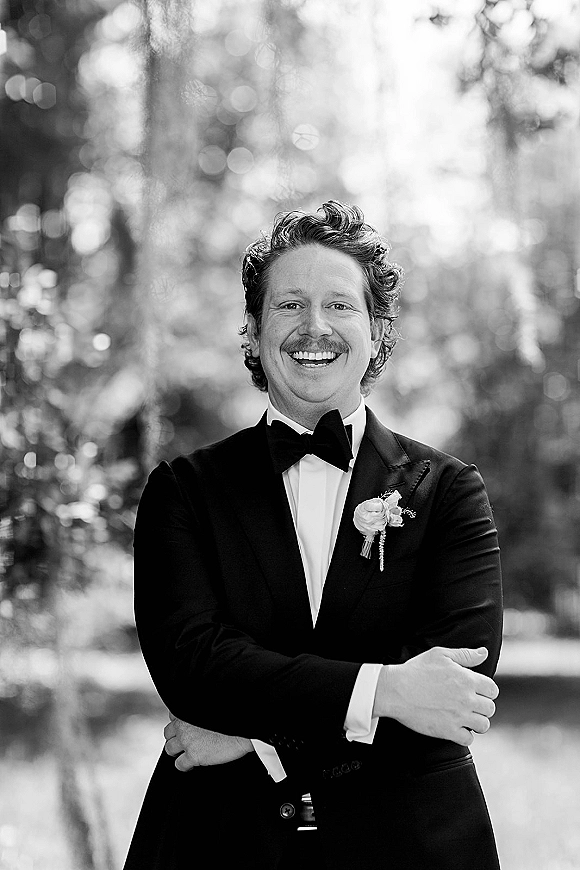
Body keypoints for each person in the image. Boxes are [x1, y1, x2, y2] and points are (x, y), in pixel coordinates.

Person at [123, 201, 502, 870]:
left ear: (379, 333)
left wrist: (254, 739)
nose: (314, 327)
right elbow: (195, 671)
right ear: (251, 332)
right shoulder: (183, 491)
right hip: (219, 841)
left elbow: (455, 695)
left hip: (410, 842)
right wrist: (384, 692)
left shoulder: (449, 492)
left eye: (340, 306)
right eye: (289, 305)